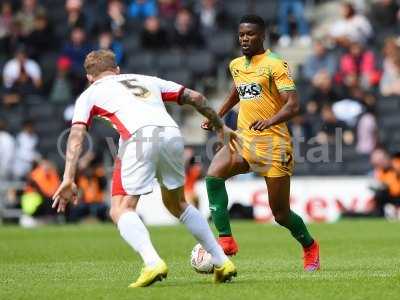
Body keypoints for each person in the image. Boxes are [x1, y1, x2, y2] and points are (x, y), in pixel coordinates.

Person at [52, 49, 237, 287]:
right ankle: (222, 261)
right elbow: (197, 98)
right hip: (171, 133)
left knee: (120, 208)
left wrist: (68, 177)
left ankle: (152, 262)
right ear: (117, 70)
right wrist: (220, 127)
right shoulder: (146, 80)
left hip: (139, 137)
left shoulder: (90, 94)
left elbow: (77, 134)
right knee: (177, 203)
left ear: (89, 77)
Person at [201, 15, 320, 271]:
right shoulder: (236, 64)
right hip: (243, 140)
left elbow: (294, 104)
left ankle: (310, 246)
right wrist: (216, 116)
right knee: (213, 175)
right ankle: (225, 239)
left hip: (274, 147)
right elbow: (236, 92)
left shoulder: (275, 64)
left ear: (262, 35)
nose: (245, 38)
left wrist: (270, 121)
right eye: (242, 34)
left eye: (250, 34)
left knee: (280, 215)